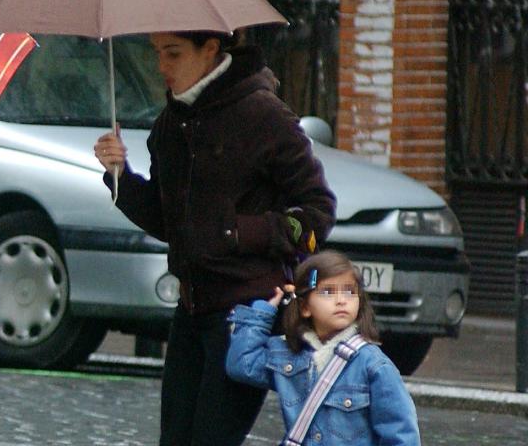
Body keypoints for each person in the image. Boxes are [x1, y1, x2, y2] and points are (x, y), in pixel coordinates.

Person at [93, 31, 336, 446]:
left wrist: (240, 232)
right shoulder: (170, 125)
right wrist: (121, 179)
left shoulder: (264, 115)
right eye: (156, 54)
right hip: (191, 310)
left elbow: (317, 214)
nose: (162, 67)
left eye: (173, 54)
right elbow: (171, 223)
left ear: (210, 50)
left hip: (248, 312)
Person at [226, 251, 420, 445]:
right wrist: (261, 312)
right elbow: (242, 365)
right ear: (305, 307)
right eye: (328, 292)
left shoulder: (373, 364)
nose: (341, 300)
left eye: (350, 291)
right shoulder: (288, 355)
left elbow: (401, 432)